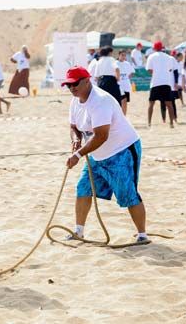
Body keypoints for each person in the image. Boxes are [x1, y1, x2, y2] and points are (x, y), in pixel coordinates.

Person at [62, 66, 148, 244]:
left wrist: (78, 155)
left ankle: (142, 235)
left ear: (87, 81)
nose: (72, 88)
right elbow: (74, 127)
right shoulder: (75, 100)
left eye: (75, 84)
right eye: (68, 85)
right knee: (83, 188)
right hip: (96, 154)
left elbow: (101, 135)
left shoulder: (100, 101)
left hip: (121, 150)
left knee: (127, 193)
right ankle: (79, 231)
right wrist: (76, 140)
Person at [145, 41, 175, 128]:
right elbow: (170, 69)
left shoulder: (151, 56)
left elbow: (149, 69)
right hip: (166, 82)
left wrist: (156, 72)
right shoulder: (168, 57)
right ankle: (171, 123)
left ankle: (149, 123)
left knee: (151, 104)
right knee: (169, 104)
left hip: (155, 82)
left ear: (154, 48)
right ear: (162, 48)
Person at [116, 50, 134, 115]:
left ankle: (124, 117)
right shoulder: (115, 63)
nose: (123, 57)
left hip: (126, 85)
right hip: (118, 85)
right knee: (119, 102)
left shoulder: (127, 63)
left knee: (125, 101)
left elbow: (132, 72)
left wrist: (127, 77)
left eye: (124, 55)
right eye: (122, 55)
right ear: (119, 55)